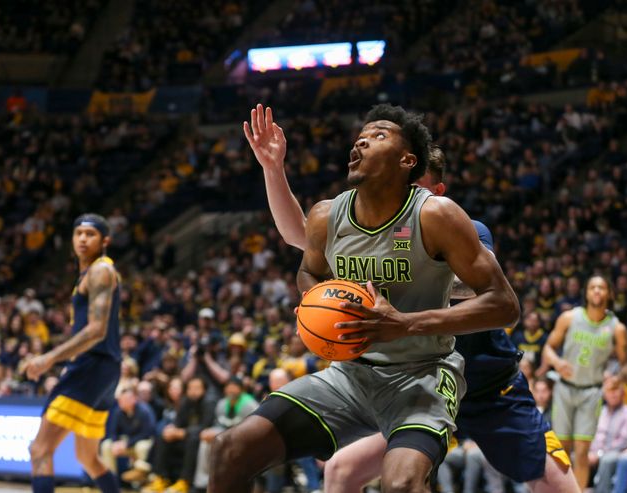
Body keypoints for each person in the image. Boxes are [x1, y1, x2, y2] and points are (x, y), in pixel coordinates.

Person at [236, 104, 577, 493]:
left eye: (414, 184)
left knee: (556, 485)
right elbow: (299, 235)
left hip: (484, 387)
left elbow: (485, 292)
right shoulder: (359, 227)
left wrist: (408, 285)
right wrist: (273, 169)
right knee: (341, 472)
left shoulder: (459, 226)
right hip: (406, 384)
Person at [22, 214, 122, 493]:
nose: (82, 238)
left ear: (105, 241)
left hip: (91, 366)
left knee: (40, 449)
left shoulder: (101, 271)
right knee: (87, 457)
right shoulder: (90, 273)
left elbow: (96, 331)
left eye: (90, 234)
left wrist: (49, 358)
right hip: (105, 370)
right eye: (78, 233)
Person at [542, 276, 627, 489]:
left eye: (601, 287)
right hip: (564, 389)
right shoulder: (569, 317)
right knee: (561, 449)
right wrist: (557, 362)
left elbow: (626, 364)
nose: (597, 291)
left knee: (581, 452)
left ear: (609, 293)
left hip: (592, 392)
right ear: (586, 293)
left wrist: (616, 376)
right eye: (592, 287)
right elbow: (547, 348)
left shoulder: (617, 327)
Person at [588, 376, 627, 493]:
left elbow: (623, 442)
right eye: (610, 391)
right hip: (596, 452)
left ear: (622, 392)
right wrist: (590, 451)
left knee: (606, 460)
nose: (613, 394)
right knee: (577, 457)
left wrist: (599, 454)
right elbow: (591, 435)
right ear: (604, 394)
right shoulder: (600, 412)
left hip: (619, 453)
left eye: (616, 390)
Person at [100, 386, 156, 481]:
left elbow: (147, 433)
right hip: (126, 442)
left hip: (141, 441)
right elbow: (113, 432)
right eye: (121, 399)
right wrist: (116, 443)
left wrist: (127, 444)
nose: (121, 402)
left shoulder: (144, 411)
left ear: (134, 399)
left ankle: (143, 478)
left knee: (142, 447)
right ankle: (110, 480)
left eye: (125, 399)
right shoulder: (118, 412)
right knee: (106, 445)